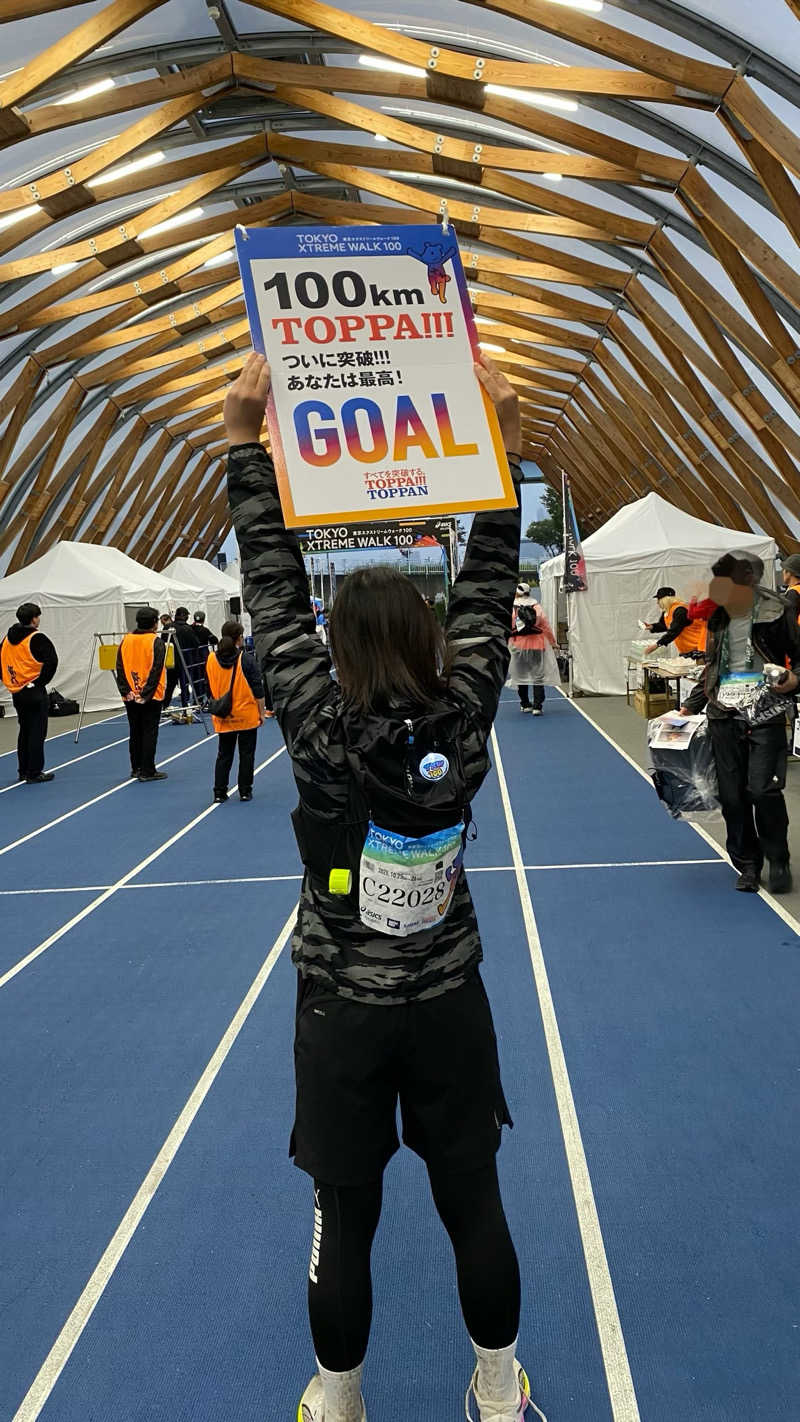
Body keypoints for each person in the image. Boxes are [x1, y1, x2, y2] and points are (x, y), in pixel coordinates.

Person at [224, 352, 542, 1422]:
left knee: (342, 1214)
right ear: (428, 636)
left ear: (332, 647)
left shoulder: (314, 719)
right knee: (474, 1202)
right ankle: (495, 1392)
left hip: (340, 1012)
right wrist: (498, 435)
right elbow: (491, 573)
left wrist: (241, 437)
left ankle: (339, 1396)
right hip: (448, 1001)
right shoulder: (466, 710)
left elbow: (269, 584)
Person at [681, 551, 800, 894]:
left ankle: (778, 858)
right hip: (723, 713)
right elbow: (713, 666)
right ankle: (747, 863)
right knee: (732, 796)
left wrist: (794, 680)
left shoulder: (778, 610)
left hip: (765, 712)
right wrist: (690, 706)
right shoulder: (717, 615)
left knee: (763, 789)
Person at [206, 619, 267, 802]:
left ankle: (219, 792)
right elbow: (258, 689)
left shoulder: (210, 659)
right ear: (239, 638)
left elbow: (209, 685)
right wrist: (262, 712)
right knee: (246, 754)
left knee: (224, 754)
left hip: (223, 714)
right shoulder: (246, 659)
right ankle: (245, 790)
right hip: (246, 715)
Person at [0, 601, 58, 783]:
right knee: (37, 732)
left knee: (24, 730)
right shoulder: (37, 638)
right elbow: (52, 662)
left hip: (16, 690)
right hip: (33, 689)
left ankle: (23, 770)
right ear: (34, 619)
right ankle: (34, 771)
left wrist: (8, 680)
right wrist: (40, 682)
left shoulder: (7, 639)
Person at [115, 606, 168, 782]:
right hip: (151, 696)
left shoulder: (126, 640)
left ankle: (136, 767)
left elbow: (120, 668)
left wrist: (127, 691)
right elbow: (156, 670)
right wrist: (145, 694)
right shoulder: (156, 642)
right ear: (154, 623)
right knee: (149, 732)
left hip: (130, 695)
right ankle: (147, 769)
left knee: (135, 731)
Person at [508, 583, 558, 716]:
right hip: (537, 645)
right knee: (538, 676)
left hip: (518, 645)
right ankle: (537, 707)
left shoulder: (512, 608)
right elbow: (545, 626)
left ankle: (525, 704)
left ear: (517, 593)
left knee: (520, 676)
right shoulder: (537, 607)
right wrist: (553, 642)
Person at [644, 587, 706, 659]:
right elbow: (664, 625)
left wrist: (657, 645)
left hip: (698, 649)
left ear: (665, 600)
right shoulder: (668, 611)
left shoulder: (680, 611)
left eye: (658, 600)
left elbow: (674, 631)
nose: (657, 603)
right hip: (687, 650)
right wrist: (652, 626)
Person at [167, 606, 201, 712]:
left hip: (171, 661)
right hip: (185, 660)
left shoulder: (168, 627)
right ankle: (185, 706)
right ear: (183, 616)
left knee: (170, 685)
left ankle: (165, 705)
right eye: (186, 615)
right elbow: (196, 643)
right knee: (184, 684)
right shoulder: (187, 628)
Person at [780, 554, 800, 621]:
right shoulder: (797, 590)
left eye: (784, 569)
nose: (782, 572)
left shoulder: (793, 593)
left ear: (789, 573)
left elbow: (789, 624)